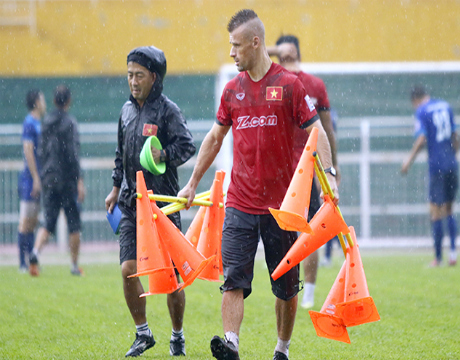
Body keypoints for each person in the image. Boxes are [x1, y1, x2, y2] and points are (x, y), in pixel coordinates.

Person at [178, 10, 338, 360]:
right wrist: (191, 183)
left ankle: (282, 349)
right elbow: (215, 138)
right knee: (234, 279)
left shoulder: (290, 86)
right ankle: (231, 344)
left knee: (285, 288)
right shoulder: (232, 90)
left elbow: (317, 132)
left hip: (282, 208)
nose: (231, 53)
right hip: (240, 202)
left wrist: (331, 177)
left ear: (255, 42)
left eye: (236, 45)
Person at [104, 46, 196, 357]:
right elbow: (121, 155)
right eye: (129, 75)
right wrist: (116, 188)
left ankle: (177, 334)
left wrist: (165, 154)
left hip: (163, 204)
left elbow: (187, 145)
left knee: (170, 279)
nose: (132, 81)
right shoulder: (125, 112)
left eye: (139, 75)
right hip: (132, 203)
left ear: (154, 78)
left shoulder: (168, 111)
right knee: (128, 268)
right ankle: (143, 333)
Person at [267, 35, 339, 309]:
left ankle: (301, 291)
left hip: (301, 168)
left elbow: (326, 130)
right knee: (302, 230)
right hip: (289, 169)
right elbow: (328, 131)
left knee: (299, 231)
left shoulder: (283, 84)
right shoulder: (280, 83)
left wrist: (332, 168)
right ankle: (300, 291)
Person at [28, 85, 85, 277]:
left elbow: (41, 152)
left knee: (48, 222)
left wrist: (44, 175)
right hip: (67, 179)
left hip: (50, 178)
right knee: (74, 223)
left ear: (54, 101)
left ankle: (35, 253)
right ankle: (74, 265)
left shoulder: (45, 123)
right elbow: (73, 154)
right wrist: (79, 180)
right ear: (68, 101)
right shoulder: (70, 123)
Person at [401, 85, 459, 267]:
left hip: (437, 166)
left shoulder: (422, 111)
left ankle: (438, 258)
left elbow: (421, 138)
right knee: (449, 209)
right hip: (451, 164)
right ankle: (453, 254)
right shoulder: (445, 105)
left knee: (435, 212)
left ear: (415, 100)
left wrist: (408, 161)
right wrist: (452, 155)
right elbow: (455, 136)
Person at [17, 89, 46, 273]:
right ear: (36, 102)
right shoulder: (29, 123)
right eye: (42, 99)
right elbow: (28, 150)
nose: (44, 102)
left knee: (33, 220)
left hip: (37, 177)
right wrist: (35, 177)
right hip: (29, 178)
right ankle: (22, 263)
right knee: (25, 220)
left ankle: (30, 262)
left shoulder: (38, 123)